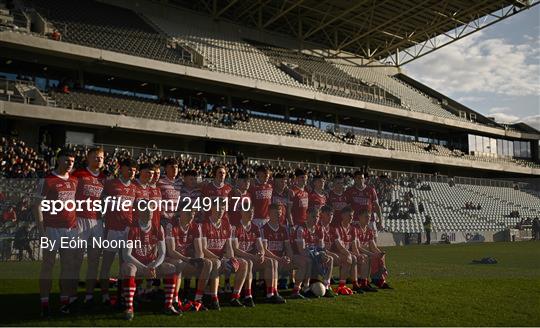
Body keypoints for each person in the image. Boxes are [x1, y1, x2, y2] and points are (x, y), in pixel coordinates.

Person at [33, 148, 78, 316]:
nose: (69, 163)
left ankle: (64, 302)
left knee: (67, 266)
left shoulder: (74, 180)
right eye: (67, 160)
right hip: (52, 229)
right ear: (58, 160)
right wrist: (42, 230)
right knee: (48, 265)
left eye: (72, 161)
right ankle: (44, 303)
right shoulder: (48, 180)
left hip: (70, 229)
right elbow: (36, 205)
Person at [121, 202, 180, 320]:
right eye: (146, 210)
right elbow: (126, 255)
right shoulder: (131, 228)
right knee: (129, 268)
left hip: (152, 265)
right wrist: (144, 268)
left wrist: (153, 266)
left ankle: (168, 305)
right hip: (137, 264)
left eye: (151, 210)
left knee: (171, 268)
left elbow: (162, 253)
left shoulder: (158, 228)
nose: (149, 212)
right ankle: (129, 308)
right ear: (139, 212)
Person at [99, 158, 137, 306]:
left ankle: (122, 294)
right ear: (121, 169)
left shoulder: (134, 188)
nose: (132, 172)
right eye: (129, 169)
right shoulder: (110, 184)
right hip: (112, 230)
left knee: (124, 264)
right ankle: (104, 295)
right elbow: (100, 201)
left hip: (127, 230)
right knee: (106, 265)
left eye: (134, 170)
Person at [71, 147, 106, 307]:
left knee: (94, 261)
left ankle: (89, 295)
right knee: (76, 259)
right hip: (80, 220)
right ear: (88, 158)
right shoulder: (78, 174)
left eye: (101, 158)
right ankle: (72, 295)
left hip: (97, 222)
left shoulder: (104, 178)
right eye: (96, 157)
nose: (99, 160)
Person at [231, 205, 285, 305]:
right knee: (249, 263)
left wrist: (261, 254)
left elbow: (260, 246)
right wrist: (253, 257)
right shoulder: (235, 227)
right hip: (240, 258)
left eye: (252, 212)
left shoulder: (255, 228)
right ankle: (248, 295)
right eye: (248, 212)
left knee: (272, 262)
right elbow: (236, 250)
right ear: (242, 213)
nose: (251, 214)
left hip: (253, 257)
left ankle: (271, 293)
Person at [200, 205, 248, 310]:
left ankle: (235, 297)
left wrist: (232, 258)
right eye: (217, 209)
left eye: (222, 209)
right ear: (212, 209)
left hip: (221, 259)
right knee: (216, 263)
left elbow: (229, 246)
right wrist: (220, 259)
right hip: (208, 259)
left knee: (244, 263)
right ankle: (214, 299)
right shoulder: (204, 225)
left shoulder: (227, 225)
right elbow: (203, 249)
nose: (220, 211)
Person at [164, 205, 211, 312]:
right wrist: (188, 259)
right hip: (171, 259)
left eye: (193, 213)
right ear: (181, 213)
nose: (191, 216)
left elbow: (199, 250)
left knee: (207, 264)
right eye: (188, 213)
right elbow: (171, 251)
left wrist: (199, 260)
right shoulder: (171, 226)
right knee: (179, 263)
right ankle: (175, 300)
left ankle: (198, 300)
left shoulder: (195, 226)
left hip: (187, 259)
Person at [262, 204, 309, 299]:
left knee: (303, 262)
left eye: (279, 213)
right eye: (275, 213)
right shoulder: (263, 229)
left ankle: (296, 291)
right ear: (269, 213)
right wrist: (279, 259)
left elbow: (288, 248)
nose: (278, 215)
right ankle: (272, 293)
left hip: (282, 260)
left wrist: (289, 258)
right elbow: (264, 250)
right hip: (269, 261)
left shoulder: (284, 229)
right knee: (273, 263)